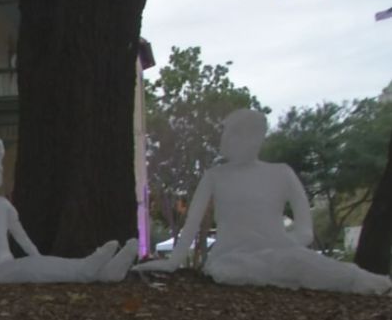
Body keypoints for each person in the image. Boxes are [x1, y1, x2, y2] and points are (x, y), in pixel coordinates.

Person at [134, 108, 391, 295]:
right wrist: (172, 261)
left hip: (280, 253)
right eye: (227, 134)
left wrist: (278, 245)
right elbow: (190, 226)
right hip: (232, 259)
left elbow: (304, 231)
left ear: (256, 138)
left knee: (304, 264)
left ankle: (365, 280)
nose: (226, 140)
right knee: (235, 271)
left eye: (234, 134)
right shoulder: (215, 176)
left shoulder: (281, 173)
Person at [0, 131, 138, 284]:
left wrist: (38, 258)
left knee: (37, 266)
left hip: (7, 267)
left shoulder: (2, 205)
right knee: (32, 267)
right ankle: (87, 269)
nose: (0, 168)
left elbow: (22, 238)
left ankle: (104, 273)